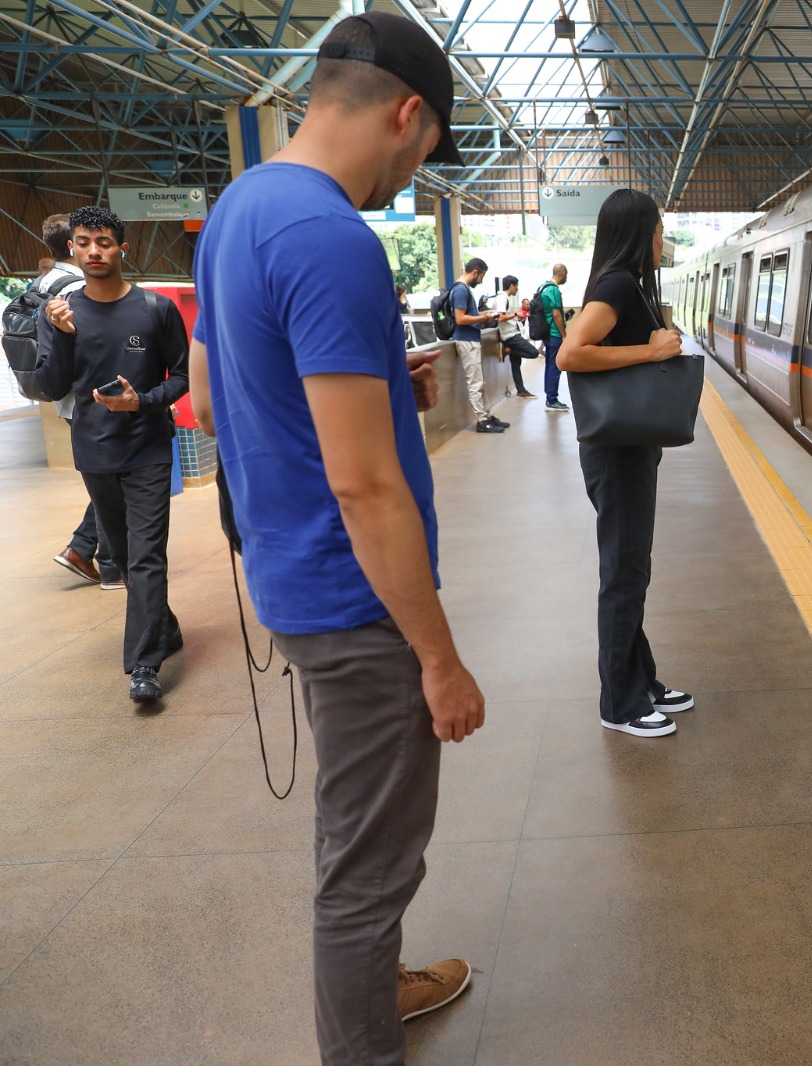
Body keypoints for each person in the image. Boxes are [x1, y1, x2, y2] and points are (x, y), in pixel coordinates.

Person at [186, 12, 483, 1063]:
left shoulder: (239, 210)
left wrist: (369, 386)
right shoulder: (327, 236)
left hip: (290, 579)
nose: (410, 174)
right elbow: (367, 490)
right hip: (359, 605)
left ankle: (377, 984)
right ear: (408, 113)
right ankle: (361, 1037)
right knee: (367, 863)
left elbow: (217, 404)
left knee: (356, 824)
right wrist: (439, 658)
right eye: (426, 150)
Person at [34, 206, 187, 702]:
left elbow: (184, 377)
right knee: (119, 556)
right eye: (83, 242)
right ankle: (164, 627)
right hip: (94, 452)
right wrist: (58, 335)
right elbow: (51, 385)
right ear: (72, 249)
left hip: (147, 449)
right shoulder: (60, 311)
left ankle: (144, 666)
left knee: (145, 558)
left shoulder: (156, 309)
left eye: (104, 242)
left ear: (123, 248)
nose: (94, 251)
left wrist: (140, 401)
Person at [557, 189, 694, 737]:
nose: (663, 239)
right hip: (616, 453)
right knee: (623, 573)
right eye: (658, 229)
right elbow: (571, 353)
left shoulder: (627, 283)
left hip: (628, 448)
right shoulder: (616, 283)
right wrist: (652, 351)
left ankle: (642, 680)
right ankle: (619, 704)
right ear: (640, 231)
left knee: (632, 569)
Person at [33, 212, 113, 588]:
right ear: (73, 245)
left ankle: (87, 549)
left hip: (62, 394)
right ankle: (89, 552)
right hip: (90, 398)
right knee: (117, 481)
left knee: (108, 479)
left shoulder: (43, 281)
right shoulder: (78, 286)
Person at [448, 257, 509, 433]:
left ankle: (487, 416)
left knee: (479, 382)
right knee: (475, 383)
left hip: (471, 339)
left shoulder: (463, 289)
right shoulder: (460, 290)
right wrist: (485, 318)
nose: (481, 281)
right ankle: (482, 421)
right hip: (466, 340)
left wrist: (485, 313)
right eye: (481, 276)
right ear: (475, 272)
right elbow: (460, 318)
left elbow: (468, 314)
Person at [490, 275, 536, 398]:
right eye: (516, 286)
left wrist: (514, 317)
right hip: (510, 336)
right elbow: (500, 317)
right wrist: (515, 313)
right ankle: (508, 350)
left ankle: (520, 390)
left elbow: (504, 316)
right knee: (533, 353)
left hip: (510, 332)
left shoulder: (504, 299)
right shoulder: (502, 298)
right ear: (511, 285)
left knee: (516, 364)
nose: (517, 289)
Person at [538, 264, 570, 413]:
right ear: (562, 273)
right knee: (555, 366)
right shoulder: (554, 289)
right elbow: (556, 314)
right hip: (554, 334)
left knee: (549, 365)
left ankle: (550, 397)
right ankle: (552, 400)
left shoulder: (543, 287)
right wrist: (564, 335)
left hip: (546, 332)